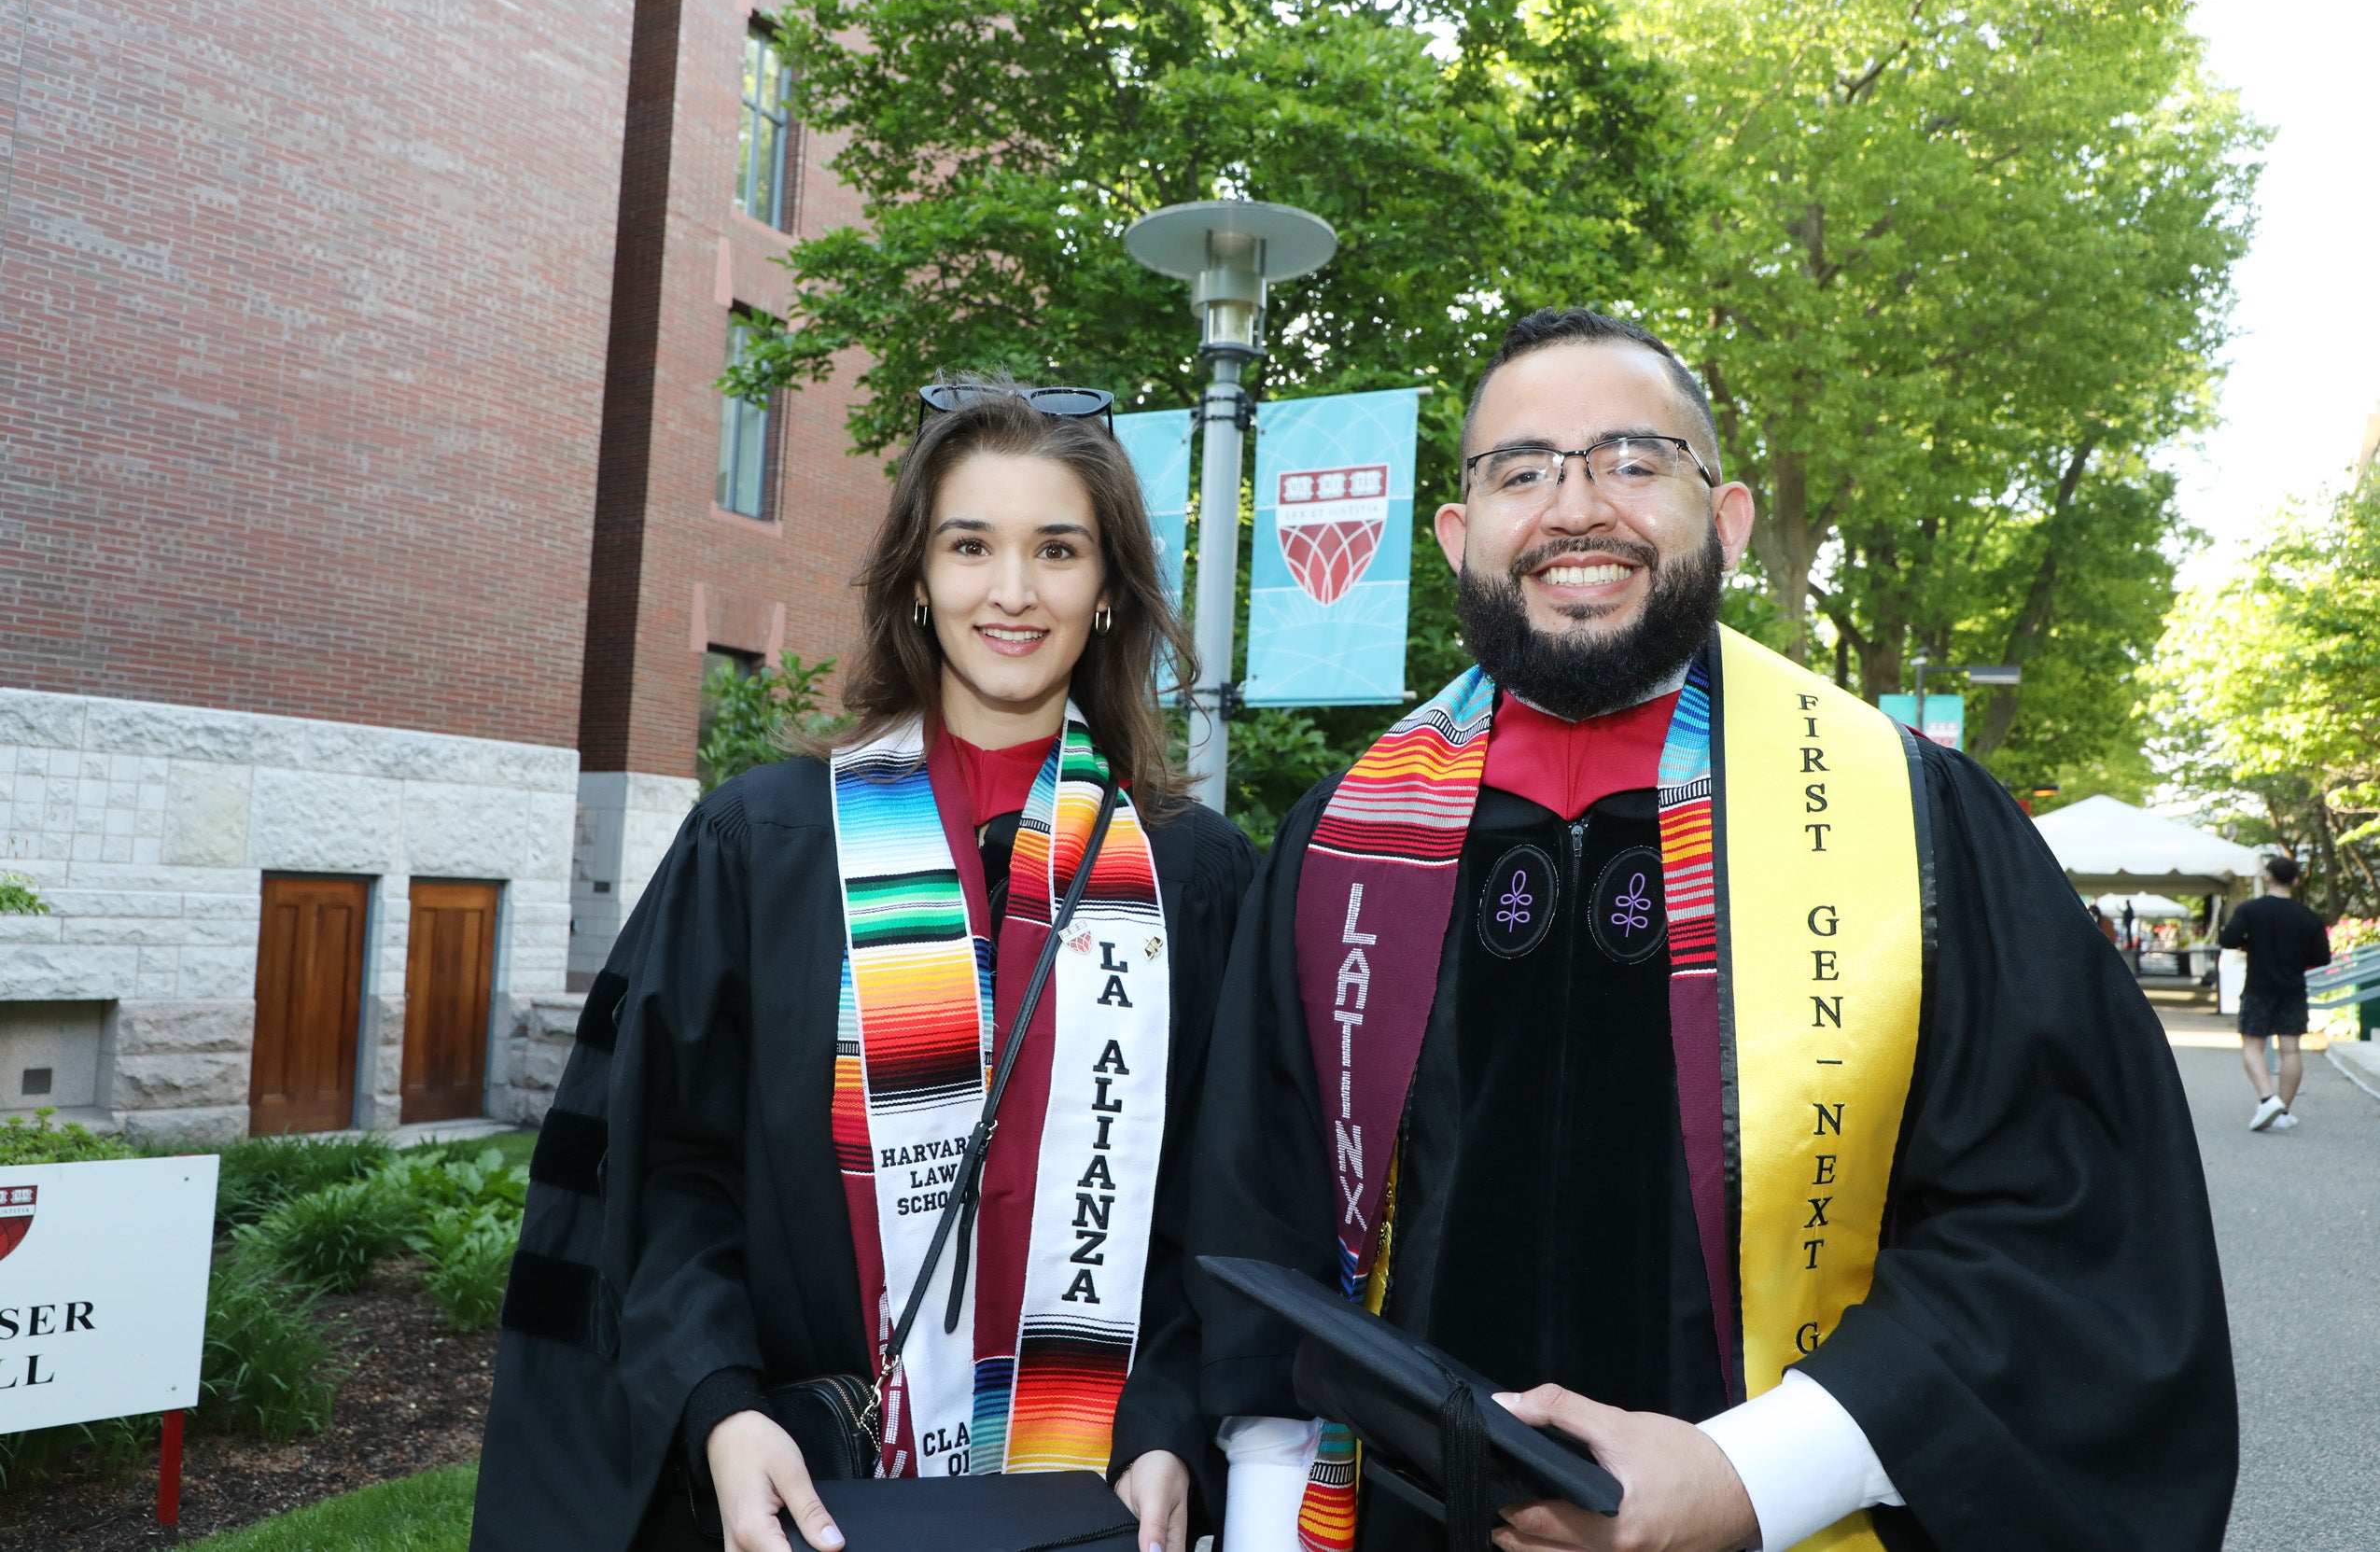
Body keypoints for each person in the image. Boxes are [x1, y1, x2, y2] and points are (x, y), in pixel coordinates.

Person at [1163, 308, 2235, 1552]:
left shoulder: (1911, 823)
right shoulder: (1347, 842)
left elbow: (2059, 1217)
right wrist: (1266, 1511)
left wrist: (1750, 1473)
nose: (1575, 509)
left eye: (1632, 460)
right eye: (1521, 471)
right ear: (1459, 537)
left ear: (1723, 518)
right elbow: (1259, 1215)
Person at [470, 382, 1256, 1552]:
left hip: (1096, 1496)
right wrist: (721, 1405)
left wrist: (1170, 1421)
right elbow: (665, 1168)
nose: (1012, 590)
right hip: (818, 1489)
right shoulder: (764, 845)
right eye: (970, 545)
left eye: (1057, 549)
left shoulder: (1192, 877)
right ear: (917, 579)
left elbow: (1224, 1201)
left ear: (1108, 590)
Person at [2220, 856, 2332, 1132]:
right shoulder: (2308, 916)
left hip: (2258, 987)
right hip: (2293, 989)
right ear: (2295, 881)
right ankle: (2284, 1110)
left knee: (2253, 1045)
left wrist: (2250, 944)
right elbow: (2322, 957)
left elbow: (2228, 939)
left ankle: (2267, 1098)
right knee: (2291, 1050)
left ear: (2268, 876)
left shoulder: (2251, 910)